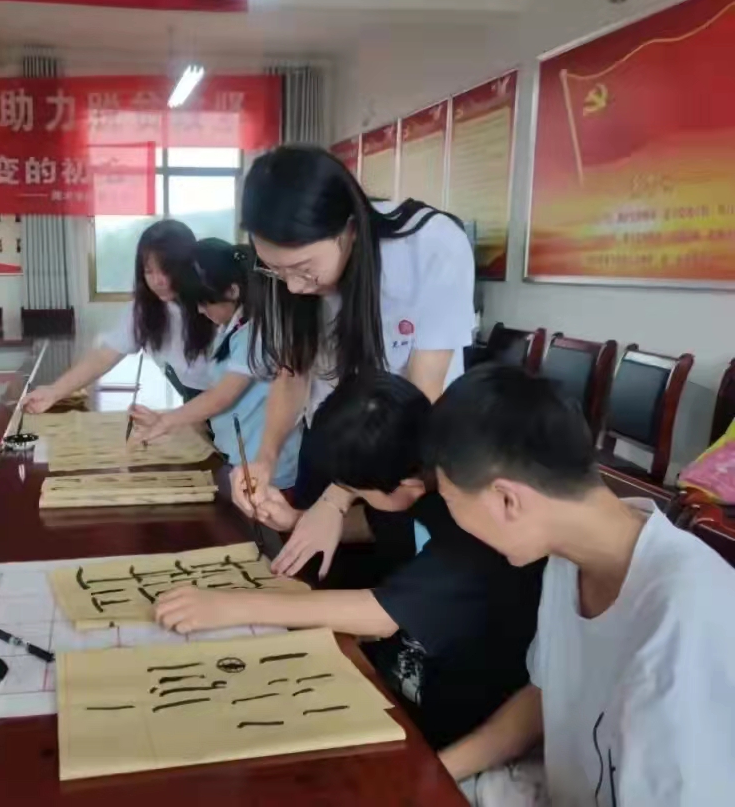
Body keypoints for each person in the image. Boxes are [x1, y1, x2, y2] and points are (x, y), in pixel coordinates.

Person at [154, 372, 542, 750]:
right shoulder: (425, 477)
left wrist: (229, 606)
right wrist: (297, 520)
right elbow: (385, 522)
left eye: (360, 492)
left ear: (406, 486)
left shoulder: (476, 531)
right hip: (384, 680)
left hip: (442, 724)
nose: (350, 500)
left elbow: (379, 615)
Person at [428, 365, 735, 806]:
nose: (456, 521)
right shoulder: (566, 555)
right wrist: (429, 772)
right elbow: (545, 694)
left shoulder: (688, 617)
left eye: (451, 501)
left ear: (507, 499)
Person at [229, 145, 476, 574]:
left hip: (403, 454)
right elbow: (292, 373)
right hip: (331, 441)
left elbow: (421, 395)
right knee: (314, 572)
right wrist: (264, 457)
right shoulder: (289, 279)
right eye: (275, 270)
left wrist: (338, 498)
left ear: (348, 229)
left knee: (390, 572)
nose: (294, 287)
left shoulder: (430, 245)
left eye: (303, 268)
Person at [130, 238, 301, 489]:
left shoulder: (257, 333)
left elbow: (222, 396)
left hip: (267, 472)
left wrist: (168, 421)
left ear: (232, 291)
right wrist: (166, 417)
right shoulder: (232, 327)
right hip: (238, 460)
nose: (200, 311)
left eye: (204, 303)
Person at [23, 219, 214, 413]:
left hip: (224, 397)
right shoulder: (144, 309)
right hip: (194, 396)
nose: (158, 281)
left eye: (166, 270)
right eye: (149, 272)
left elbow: (227, 386)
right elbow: (104, 356)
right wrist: (54, 392)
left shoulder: (213, 305)